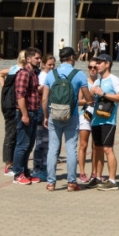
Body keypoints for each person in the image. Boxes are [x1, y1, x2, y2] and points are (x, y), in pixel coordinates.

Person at [41, 46, 90, 191]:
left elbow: (44, 99)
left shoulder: (51, 74)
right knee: (71, 149)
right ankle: (71, 182)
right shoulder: (79, 74)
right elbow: (87, 96)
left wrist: (45, 115)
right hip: (72, 115)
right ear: (72, 58)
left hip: (54, 114)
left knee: (53, 149)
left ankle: (50, 182)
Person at [84, 52, 119, 188]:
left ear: (107, 64)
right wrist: (91, 95)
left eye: (99, 62)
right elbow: (90, 100)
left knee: (108, 149)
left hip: (108, 120)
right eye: (95, 63)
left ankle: (113, 180)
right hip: (96, 119)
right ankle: (97, 177)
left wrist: (103, 93)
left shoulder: (115, 80)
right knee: (97, 149)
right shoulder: (97, 81)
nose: (96, 65)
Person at [10, 48, 44, 184]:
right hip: (26, 113)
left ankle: (25, 172)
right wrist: (24, 114)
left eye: (39, 58)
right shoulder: (24, 74)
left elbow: (31, 92)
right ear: (28, 59)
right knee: (22, 145)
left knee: (29, 145)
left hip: (34, 112)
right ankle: (18, 174)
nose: (39, 60)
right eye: (36, 58)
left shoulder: (34, 74)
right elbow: (20, 95)